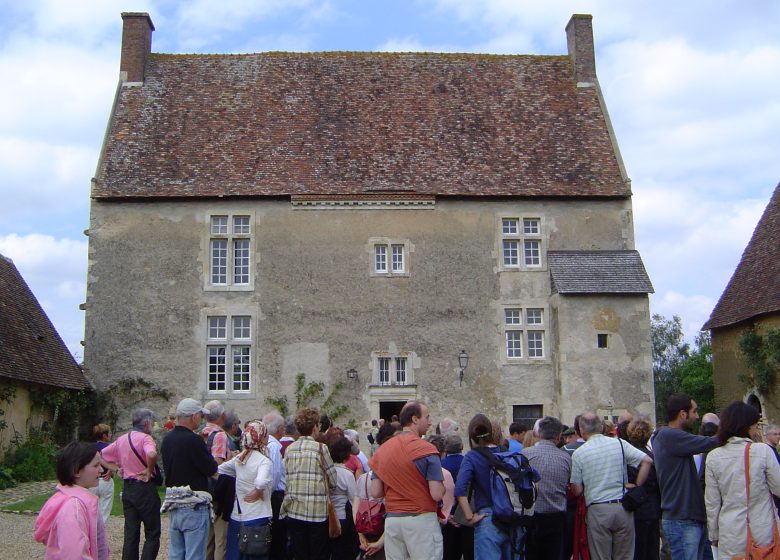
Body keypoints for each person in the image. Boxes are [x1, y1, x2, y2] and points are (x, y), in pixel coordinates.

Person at [570, 412, 652, 560]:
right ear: (601, 427)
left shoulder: (579, 454)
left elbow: (577, 490)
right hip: (622, 506)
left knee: (601, 556)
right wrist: (636, 485)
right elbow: (647, 461)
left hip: (597, 510)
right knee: (625, 556)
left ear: (581, 430)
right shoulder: (619, 444)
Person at [370, 401, 445, 560]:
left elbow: (376, 492)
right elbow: (437, 494)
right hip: (421, 519)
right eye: (427, 417)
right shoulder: (427, 450)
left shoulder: (382, 451)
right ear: (415, 419)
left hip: (393, 521)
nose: (429, 422)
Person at [705, 401, 780, 559]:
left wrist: (714, 535)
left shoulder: (713, 457)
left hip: (730, 534)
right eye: (755, 426)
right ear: (748, 426)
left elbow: (712, 503)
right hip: (761, 532)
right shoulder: (763, 451)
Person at [652, 394, 719, 560]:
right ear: (683, 414)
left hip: (689, 518)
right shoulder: (669, 436)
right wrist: (734, 430)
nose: (697, 416)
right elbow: (708, 442)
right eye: (694, 411)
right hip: (682, 519)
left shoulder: (669, 437)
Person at [160, 398, 219, 560]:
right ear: (194, 416)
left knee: (176, 554)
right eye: (201, 415)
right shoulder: (194, 440)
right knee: (194, 555)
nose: (201, 419)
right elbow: (211, 469)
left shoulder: (167, 439)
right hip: (193, 503)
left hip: (174, 501)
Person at [99, 408, 161, 560]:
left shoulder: (122, 439)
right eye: (152, 422)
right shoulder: (146, 438)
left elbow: (102, 455)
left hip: (128, 488)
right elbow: (152, 453)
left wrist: (116, 469)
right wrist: (149, 469)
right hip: (145, 487)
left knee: (131, 533)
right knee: (152, 532)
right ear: (146, 423)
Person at [455, 413, 519, 560]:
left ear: (472, 436)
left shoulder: (472, 456)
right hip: (512, 516)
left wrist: (469, 517)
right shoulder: (507, 453)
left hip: (487, 517)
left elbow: (460, 489)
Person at [35, 441, 110, 560]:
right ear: (76, 471)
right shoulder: (73, 508)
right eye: (96, 465)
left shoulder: (74, 500)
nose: (101, 470)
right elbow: (74, 554)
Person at [280, 407, 337, 560]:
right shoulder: (321, 449)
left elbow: (287, 476)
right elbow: (333, 480)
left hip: (295, 509)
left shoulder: (290, 449)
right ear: (315, 427)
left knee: (300, 553)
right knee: (318, 553)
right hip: (317, 512)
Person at [218, 420, 274, 560]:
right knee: (255, 555)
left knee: (235, 554)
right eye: (266, 436)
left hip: (237, 515)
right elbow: (261, 481)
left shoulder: (240, 458)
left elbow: (220, 469)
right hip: (257, 515)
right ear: (261, 437)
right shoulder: (263, 460)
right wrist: (258, 491)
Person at [522, 416, 571, 560]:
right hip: (555, 517)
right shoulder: (565, 458)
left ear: (539, 433)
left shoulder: (525, 455)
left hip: (531, 515)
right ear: (558, 436)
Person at [626, 417, 661, 560]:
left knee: (637, 550)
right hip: (652, 506)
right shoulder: (653, 456)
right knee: (652, 549)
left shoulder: (627, 456)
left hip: (634, 506)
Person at [261, 411, 288, 560]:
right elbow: (274, 474)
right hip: (275, 496)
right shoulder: (274, 447)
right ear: (280, 429)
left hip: (272, 495)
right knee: (277, 536)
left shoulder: (268, 445)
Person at [329, 436, 360, 560]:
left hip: (327, 515)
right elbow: (353, 498)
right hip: (341, 516)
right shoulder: (347, 474)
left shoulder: (327, 472)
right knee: (341, 550)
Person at [89, 423, 115, 524]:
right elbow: (116, 461)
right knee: (104, 509)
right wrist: (110, 470)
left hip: (92, 481)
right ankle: (100, 529)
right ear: (104, 435)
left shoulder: (90, 448)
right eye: (110, 433)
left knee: (91, 508)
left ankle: (91, 527)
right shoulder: (110, 447)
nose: (111, 435)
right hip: (106, 480)